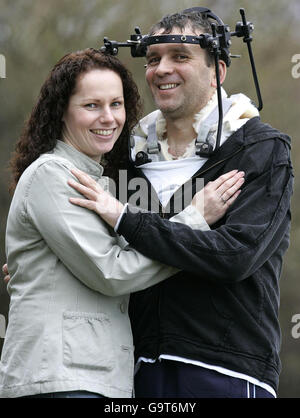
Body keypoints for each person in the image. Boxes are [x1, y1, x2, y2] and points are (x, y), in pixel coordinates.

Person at [67, 9, 293, 398]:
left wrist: (129, 221)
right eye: (153, 59)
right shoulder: (124, 157)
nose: (161, 69)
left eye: (180, 56)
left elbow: (235, 256)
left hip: (226, 369)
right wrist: (48, 268)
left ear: (218, 72)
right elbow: (105, 259)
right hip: (128, 369)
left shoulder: (260, 149)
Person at [0, 48, 242, 398]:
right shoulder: (52, 175)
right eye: (91, 105)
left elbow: (128, 250)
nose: (108, 118)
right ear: (61, 112)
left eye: (116, 104)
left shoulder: (102, 184)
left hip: (96, 379)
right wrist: (194, 220)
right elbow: (113, 272)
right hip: (60, 380)